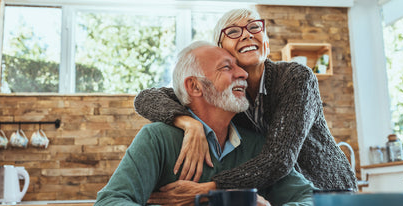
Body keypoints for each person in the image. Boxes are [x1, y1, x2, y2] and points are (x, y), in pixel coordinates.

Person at [134, 8, 357, 192]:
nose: (247, 34)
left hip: (327, 190)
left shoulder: (296, 77)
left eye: (253, 27)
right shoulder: (224, 95)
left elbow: (279, 159)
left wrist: (209, 188)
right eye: (233, 31)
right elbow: (146, 98)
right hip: (280, 193)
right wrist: (188, 122)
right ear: (222, 52)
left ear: (266, 44)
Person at [95, 41, 316, 206]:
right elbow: (111, 201)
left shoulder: (257, 146)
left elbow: (310, 200)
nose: (242, 73)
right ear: (195, 87)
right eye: (227, 67)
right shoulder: (157, 139)